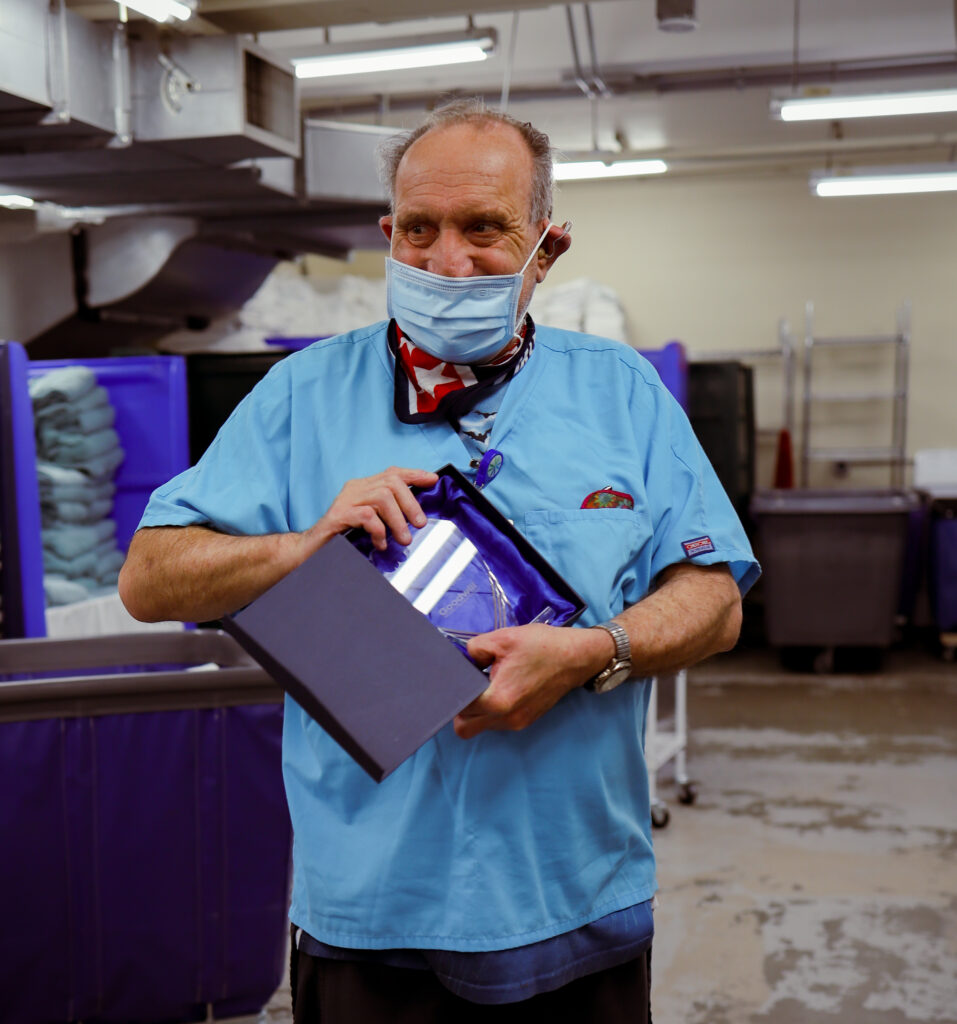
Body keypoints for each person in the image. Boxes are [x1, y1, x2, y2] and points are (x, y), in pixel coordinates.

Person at [119, 99, 759, 1022]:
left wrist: (595, 652)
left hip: (574, 895)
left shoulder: (621, 393)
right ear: (387, 233)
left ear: (547, 248)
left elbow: (713, 597)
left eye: (484, 229)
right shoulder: (303, 393)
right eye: (418, 230)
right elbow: (150, 576)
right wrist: (301, 546)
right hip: (369, 912)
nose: (446, 260)